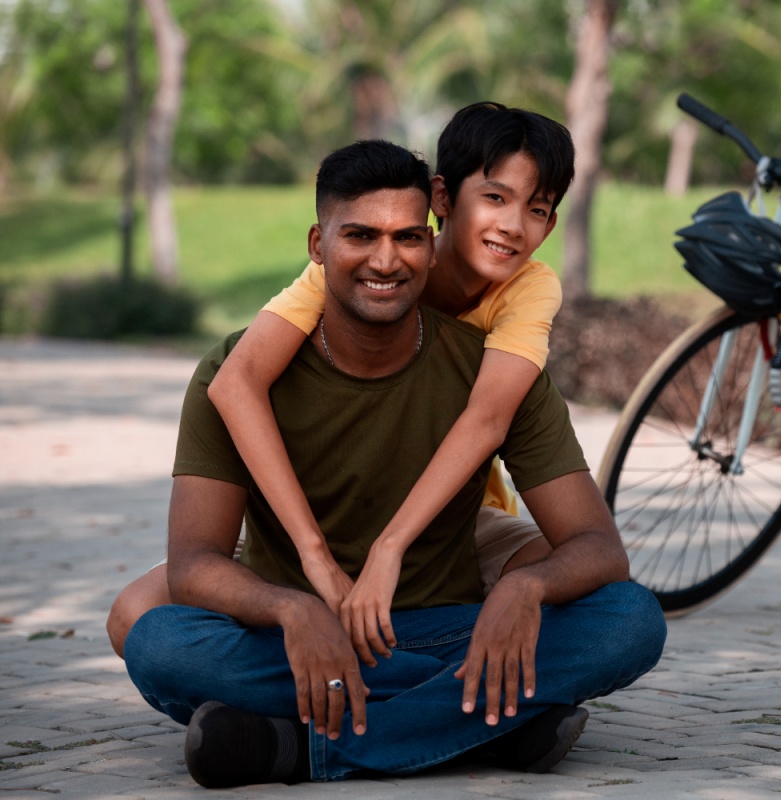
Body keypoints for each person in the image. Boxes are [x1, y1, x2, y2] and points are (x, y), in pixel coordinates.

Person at [120, 140, 666, 787]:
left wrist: (526, 587)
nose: (386, 259)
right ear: (319, 245)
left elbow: (598, 547)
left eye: (408, 237)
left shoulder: (492, 369)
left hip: (445, 626)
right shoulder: (236, 370)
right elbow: (193, 564)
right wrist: (292, 611)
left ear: (432, 245)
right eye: (360, 236)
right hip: (294, 632)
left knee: (628, 621)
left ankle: (298, 748)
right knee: (162, 644)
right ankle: (494, 721)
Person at [106, 102, 575, 663]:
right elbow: (237, 383)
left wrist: (392, 548)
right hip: (315, 513)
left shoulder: (529, 288)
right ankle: (464, 704)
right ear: (444, 199)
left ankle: (302, 720)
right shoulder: (356, 266)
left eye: (538, 209)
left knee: (588, 585)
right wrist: (311, 555)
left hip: (455, 510)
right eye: (495, 198)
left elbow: (488, 418)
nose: (512, 225)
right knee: (139, 616)